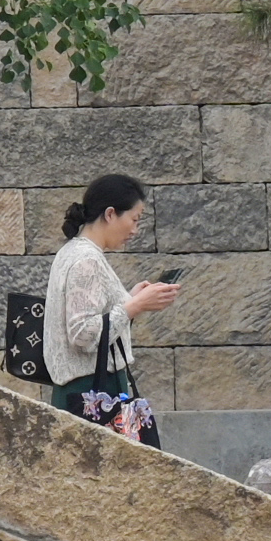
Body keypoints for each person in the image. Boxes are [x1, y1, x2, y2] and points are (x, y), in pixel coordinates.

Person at [39, 174, 175, 439]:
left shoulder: (72, 251)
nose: (135, 231)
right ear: (111, 214)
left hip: (84, 390)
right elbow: (83, 335)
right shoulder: (86, 260)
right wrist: (132, 307)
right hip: (94, 392)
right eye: (134, 219)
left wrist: (130, 299)